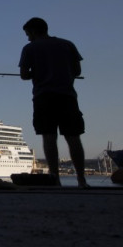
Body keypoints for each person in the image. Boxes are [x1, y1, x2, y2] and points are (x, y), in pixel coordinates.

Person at [19, 17, 89, 188]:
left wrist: (36, 73)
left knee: (49, 137)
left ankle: (55, 179)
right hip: (67, 96)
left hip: (44, 97)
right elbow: (77, 70)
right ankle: (81, 180)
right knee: (73, 138)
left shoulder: (29, 48)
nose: (28, 38)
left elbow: (23, 75)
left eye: (28, 34)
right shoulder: (67, 44)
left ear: (34, 31)